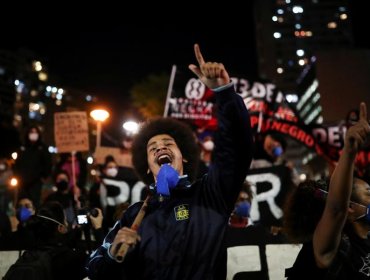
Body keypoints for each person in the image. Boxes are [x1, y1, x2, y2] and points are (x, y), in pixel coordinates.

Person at [86, 44, 254, 279]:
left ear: (183, 155)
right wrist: (113, 256)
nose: (160, 147)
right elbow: (94, 270)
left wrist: (224, 93)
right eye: (152, 147)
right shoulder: (133, 216)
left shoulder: (211, 194)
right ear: (147, 165)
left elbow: (236, 150)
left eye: (168, 143)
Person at [283, 102, 370, 279]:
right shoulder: (329, 246)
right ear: (350, 206)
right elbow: (336, 209)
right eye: (368, 193)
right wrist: (349, 151)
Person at [13, 125, 52, 208]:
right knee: (22, 205)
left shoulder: (43, 149)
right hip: (22, 183)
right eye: (31, 132)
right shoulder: (22, 148)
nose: (33, 134)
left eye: (35, 132)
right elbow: (16, 164)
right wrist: (17, 176)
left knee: (34, 205)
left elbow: (48, 164)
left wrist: (43, 177)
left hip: (36, 183)